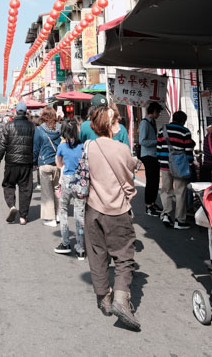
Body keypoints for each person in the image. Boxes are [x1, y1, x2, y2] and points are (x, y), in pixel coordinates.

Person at [85, 105, 140, 330]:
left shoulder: (88, 147)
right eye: (116, 121)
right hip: (117, 210)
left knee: (97, 255)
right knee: (124, 256)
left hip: (93, 208)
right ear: (110, 125)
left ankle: (104, 299)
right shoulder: (121, 149)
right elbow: (129, 181)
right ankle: (120, 298)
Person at [0, 101, 35, 225]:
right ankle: (23, 217)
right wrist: (35, 160)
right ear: (26, 111)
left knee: (8, 184)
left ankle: (12, 206)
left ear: (16, 111)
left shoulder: (8, 125)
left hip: (11, 162)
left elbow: (2, 144)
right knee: (25, 188)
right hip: (26, 163)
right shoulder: (32, 126)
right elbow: (35, 145)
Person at [54, 118, 86, 259]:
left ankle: (65, 242)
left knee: (64, 211)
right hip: (80, 181)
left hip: (67, 180)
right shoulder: (83, 146)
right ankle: (80, 248)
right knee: (79, 214)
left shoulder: (61, 146)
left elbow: (59, 164)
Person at [161, 110, 195, 228]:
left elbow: (159, 148)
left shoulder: (163, 129)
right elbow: (188, 151)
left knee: (166, 190)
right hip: (180, 166)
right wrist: (190, 164)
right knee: (180, 192)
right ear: (183, 121)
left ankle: (166, 214)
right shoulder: (185, 131)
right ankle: (179, 220)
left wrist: (162, 163)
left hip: (165, 165)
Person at [33, 106, 62, 227]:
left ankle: (50, 219)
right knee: (57, 189)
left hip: (44, 163)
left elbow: (36, 148)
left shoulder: (40, 130)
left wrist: (35, 162)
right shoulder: (60, 128)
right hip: (58, 163)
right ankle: (58, 214)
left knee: (46, 191)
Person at [137, 102, 163, 216]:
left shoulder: (153, 122)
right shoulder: (144, 123)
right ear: (154, 111)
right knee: (151, 181)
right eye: (158, 112)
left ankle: (152, 203)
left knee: (155, 181)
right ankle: (148, 205)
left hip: (154, 155)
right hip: (148, 156)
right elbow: (142, 141)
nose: (159, 115)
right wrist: (157, 141)